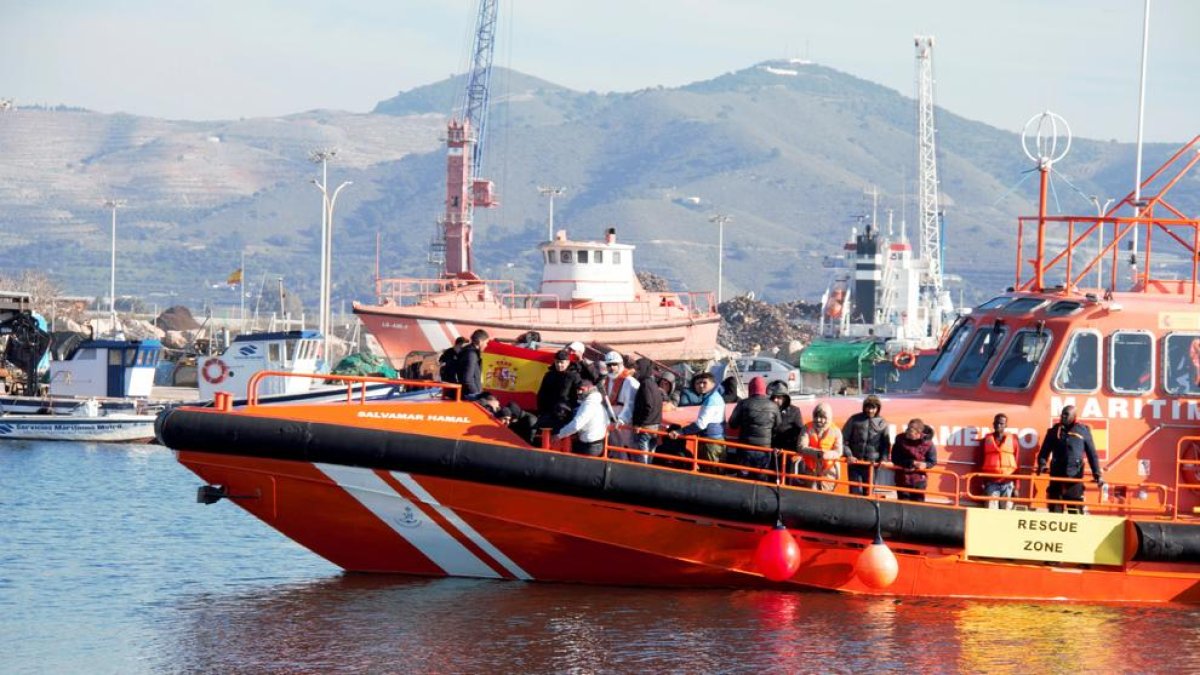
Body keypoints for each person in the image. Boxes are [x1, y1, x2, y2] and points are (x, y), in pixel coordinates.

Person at [1037, 405, 1103, 513]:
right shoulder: (1054, 431)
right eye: (1062, 414)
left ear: (1074, 416)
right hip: (1057, 476)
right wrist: (1042, 464)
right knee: (1054, 511)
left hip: (1074, 477)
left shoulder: (1083, 430)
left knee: (1075, 511)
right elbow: (1044, 451)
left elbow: (1092, 454)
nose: (1063, 416)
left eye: (1066, 414)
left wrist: (1097, 474)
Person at [668, 372, 726, 472]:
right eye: (698, 383)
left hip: (710, 443)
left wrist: (680, 432)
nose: (701, 385)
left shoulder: (711, 400)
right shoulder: (715, 397)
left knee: (710, 472)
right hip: (715, 440)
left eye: (704, 382)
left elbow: (700, 424)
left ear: (713, 384)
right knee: (716, 470)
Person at [726, 376, 780, 479]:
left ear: (750, 388)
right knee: (761, 477)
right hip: (764, 448)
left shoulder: (743, 403)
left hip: (745, 447)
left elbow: (733, 424)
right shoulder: (773, 406)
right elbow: (777, 426)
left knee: (744, 477)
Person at [842, 395, 891, 496]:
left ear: (878, 408)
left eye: (873, 408)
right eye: (868, 407)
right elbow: (842, 440)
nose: (870, 410)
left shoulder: (882, 423)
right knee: (854, 492)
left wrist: (883, 459)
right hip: (855, 463)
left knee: (869, 493)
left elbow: (885, 444)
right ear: (864, 407)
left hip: (872, 465)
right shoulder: (854, 419)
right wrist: (849, 455)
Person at [795, 402, 843, 491]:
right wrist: (816, 453)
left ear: (828, 418)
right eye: (816, 416)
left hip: (828, 471)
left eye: (822, 417)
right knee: (810, 494)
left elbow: (838, 451)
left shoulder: (836, 431)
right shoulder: (807, 428)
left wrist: (827, 455)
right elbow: (801, 446)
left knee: (826, 495)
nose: (818, 420)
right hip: (810, 469)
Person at [555, 378, 608, 456]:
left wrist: (559, 435)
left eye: (581, 389)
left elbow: (576, 425)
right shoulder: (597, 403)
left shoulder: (589, 404)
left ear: (590, 388)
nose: (579, 392)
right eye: (578, 389)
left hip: (589, 446)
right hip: (598, 444)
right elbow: (607, 422)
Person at [891, 419, 937, 502]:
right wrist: (911, 463)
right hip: (902, 478)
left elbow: (932, 461)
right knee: (903, 505)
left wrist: (925, 465)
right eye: (907, 431)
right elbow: (895, 458)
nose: (908, 434)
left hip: (919, 480)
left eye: (911, 433)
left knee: (918, 505)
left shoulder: (928, 443)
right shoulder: (900, 439)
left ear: (919, 433)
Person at [536, 349, 582, 433]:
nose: (559, 365)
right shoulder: (549, 375)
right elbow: (541, 394)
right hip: (548, 411)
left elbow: (579, 394)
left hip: (565, 413)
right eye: (557, 362)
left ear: (568, 362)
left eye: (561, 362)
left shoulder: (574, 376)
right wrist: (541, 411)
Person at [980, 413, 1020, 509]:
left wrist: (1017, 487)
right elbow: (980, 462)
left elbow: (1017, 464)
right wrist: (981, 482)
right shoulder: (985, 441)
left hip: (1008, 482)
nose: (998, 425)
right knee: (990, 512)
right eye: (997, 423)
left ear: (1006, 425)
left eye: (1001, 423)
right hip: (991, 482)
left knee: (1006, 512)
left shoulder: (1014, 441)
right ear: (993, 424)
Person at [629, 357, 664, 463]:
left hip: (646, 428)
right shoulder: (652, 384)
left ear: (643, 369)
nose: (635, 371)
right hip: (654, 426)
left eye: (638, 369)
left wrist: (639, 424)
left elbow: (648, 405)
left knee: (642, 459)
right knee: (649, 457)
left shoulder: (645, 384)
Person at [768, 381, 804, 475]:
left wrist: (786, 449)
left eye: (778, 397)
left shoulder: (794, 411)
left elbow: (800, 433)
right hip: (772, 452)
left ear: (785, 398)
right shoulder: (768, 411)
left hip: (787, 454)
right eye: (774, 397)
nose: (775, 400)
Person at [456, 329, 489, 400]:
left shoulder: (469, 352)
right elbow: (467, 379)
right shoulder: (471, 354)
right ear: (480, 341)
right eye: (486, 342)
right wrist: (477, 395)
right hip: (470, 396)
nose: (486, 345)